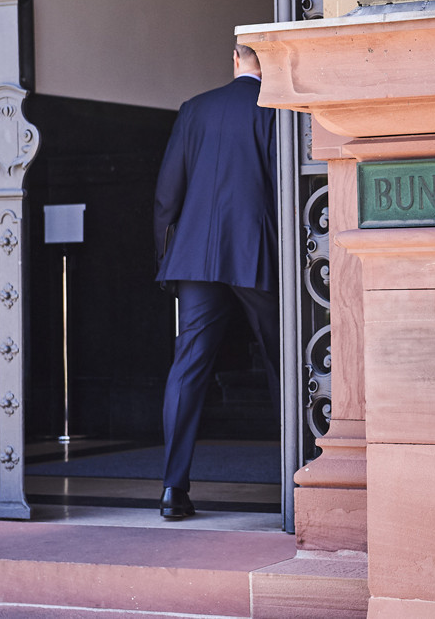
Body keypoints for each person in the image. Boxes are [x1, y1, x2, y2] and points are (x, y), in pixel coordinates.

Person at [152, 44, 278, 519]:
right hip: (255, 250)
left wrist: (168, 257)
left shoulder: (195, 109)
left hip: (194, 255)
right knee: (283, 360)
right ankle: (301, 478)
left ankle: (172, 489)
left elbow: (167, 195)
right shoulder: (277, 109)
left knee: (187, 365)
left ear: (234, 58)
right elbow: (283, 187)